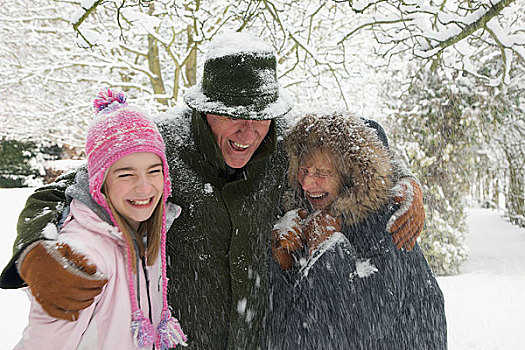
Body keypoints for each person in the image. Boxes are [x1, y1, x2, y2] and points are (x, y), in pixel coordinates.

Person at [1, 32, 425, 349]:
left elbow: (359, 146)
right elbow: (64, 192)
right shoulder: (159, 147)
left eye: (260, 116)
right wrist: (35, 250)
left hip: (263, 339)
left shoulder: (287, 145)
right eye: (231, 115)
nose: (248, 130)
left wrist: (406, 181)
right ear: (204, 110)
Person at [15, 89, 187, 349]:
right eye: (125, 175)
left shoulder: (149, 234)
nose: (144, 187)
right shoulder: (81, 256)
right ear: (99, 183)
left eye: (154, 171)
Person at [269, 112, 447, 349]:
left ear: (352, 178)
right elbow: (289, 328)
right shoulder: (310, 219)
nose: (307, 183)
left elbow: (353, 330)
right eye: (304, 170)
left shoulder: (389, 225)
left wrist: (327, 252)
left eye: (322, 173)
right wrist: (283, 265)